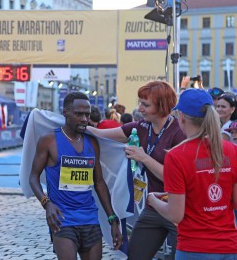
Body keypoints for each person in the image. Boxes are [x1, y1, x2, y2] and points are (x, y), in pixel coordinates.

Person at [87, 81, 186, 260]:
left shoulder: (179, 132)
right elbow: (99, 135)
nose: (140, 108)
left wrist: (144, 158)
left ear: (162, 105)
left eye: (145, 104)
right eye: (140, 102)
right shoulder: (140, 127)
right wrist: (76, 124)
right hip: (153, 207)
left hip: (178, 210)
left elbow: (173, 178)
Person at [29, 92, 122, 260]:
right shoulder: (49, 141)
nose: (84, 119)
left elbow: (99, 183)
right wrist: (46, 203)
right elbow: (33, 177)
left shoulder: (92, 143)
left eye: (87, 114)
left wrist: (112, 217)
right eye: (79, 114)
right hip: (63, 219)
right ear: (65, 112)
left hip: (90, 219)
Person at [147, 89, 237, 259]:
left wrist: (153, 200)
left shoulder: (176, 156)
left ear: (181, 116)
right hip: (229, 247)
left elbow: (175, 215)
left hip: (194, 248)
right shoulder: (232, 150)